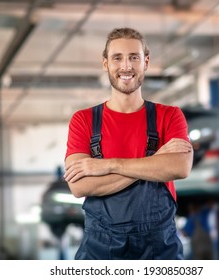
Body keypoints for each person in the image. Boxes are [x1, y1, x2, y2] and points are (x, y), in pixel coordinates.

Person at [64, 27, 193, 260]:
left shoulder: (170, 116)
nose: (126, 66)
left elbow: (179, 168)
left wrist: (107, 166)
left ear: (146, 62)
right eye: (117, 58)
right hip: (99, 252)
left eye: (134, 57)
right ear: (105, 64)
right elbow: (80, 187)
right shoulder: (83, 120)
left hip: (159, 252)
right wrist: (155, 162)